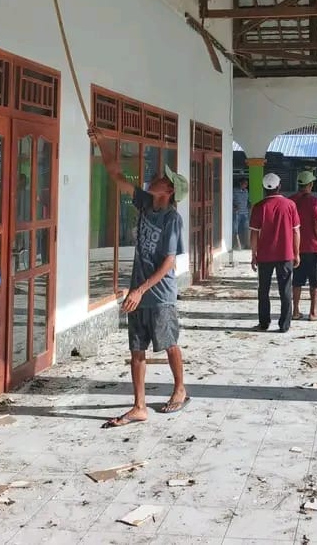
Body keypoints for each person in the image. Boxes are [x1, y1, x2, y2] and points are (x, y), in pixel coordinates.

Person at [90, 125, 190, 427]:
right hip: (139, 292)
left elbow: (169, 262)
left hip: (159, 296)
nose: (157, 177)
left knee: (169, 343)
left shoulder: (172, 219)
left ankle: (180, 389)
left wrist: (141, 289)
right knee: (136, 350)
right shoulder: (146, 202)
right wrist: (101, 142)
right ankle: (139, 406)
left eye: (163, 178)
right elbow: (116, 175)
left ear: (168, 191)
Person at [249, 172, 301, 332]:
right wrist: (296, 252)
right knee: (285, 290)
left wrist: (253, 254)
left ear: (264, 188)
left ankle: (264, 322)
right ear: (279, 186)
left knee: (263, 290)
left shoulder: (258, 207)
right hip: (285, 254)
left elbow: (254, 234)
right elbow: (296, 231)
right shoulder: (290, 205)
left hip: (264, 255)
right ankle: (284, 325)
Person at [290, 171, 317, 320]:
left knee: (297, 281)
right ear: (310, 185)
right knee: (315, 282)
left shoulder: (291, 201)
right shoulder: (314, 202)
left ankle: (295, 311)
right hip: (313, 248)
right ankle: (313, 312)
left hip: (295, 248)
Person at [233, 178, 251, 250]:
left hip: (245, 213)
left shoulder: (246, 191)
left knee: (245, 229)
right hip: (237, 213)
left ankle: (246, 244)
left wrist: (249, 204)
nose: (245, 185)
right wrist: (234, 206)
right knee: (236, 230)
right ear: (240, 183)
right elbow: (230, 200)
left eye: (246, 184)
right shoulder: (234, 191)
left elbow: (247, 200)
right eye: (244, 183)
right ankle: (236, 245)